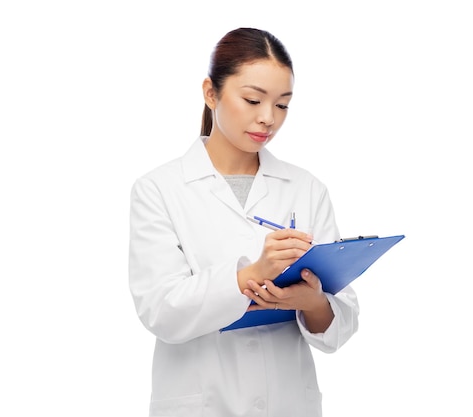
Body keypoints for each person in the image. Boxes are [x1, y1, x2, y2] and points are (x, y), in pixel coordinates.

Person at [129, 27, 359, 416]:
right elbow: (160, 310)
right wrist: (250, 274)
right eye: (253, 100)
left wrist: (313, 302)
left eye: (282, 105)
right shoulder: (159, 189)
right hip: (201, 403)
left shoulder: (306, 188)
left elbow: (340, 321)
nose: (268, 118)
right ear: (210, 93)